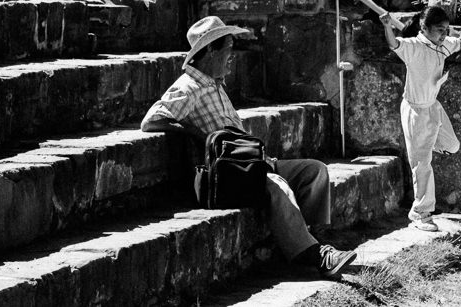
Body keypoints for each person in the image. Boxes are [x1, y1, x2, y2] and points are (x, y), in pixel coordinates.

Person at [141, 16, 357, 277]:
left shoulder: (215, 84)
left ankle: (311, 240)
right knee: (276, 183)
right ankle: (316, 256)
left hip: (249, 163)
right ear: (210, 51)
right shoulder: (189, 86)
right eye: (228, 49)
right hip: (228, 174)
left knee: (314, 171)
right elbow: (152, 120)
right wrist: (198, 135)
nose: (232, 57)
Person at [379, 6, 461, 232]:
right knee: (422, 164)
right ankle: (420, 214)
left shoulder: (443, 45)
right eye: (439, 30)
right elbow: (394, 44)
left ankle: (425, 146)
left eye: (446, 29)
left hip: (433, 107)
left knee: (452, 146)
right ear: (424, 28)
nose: (444, 34)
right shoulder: (414, 47)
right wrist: (387, 26)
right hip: (415, 111)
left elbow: (459, 42)